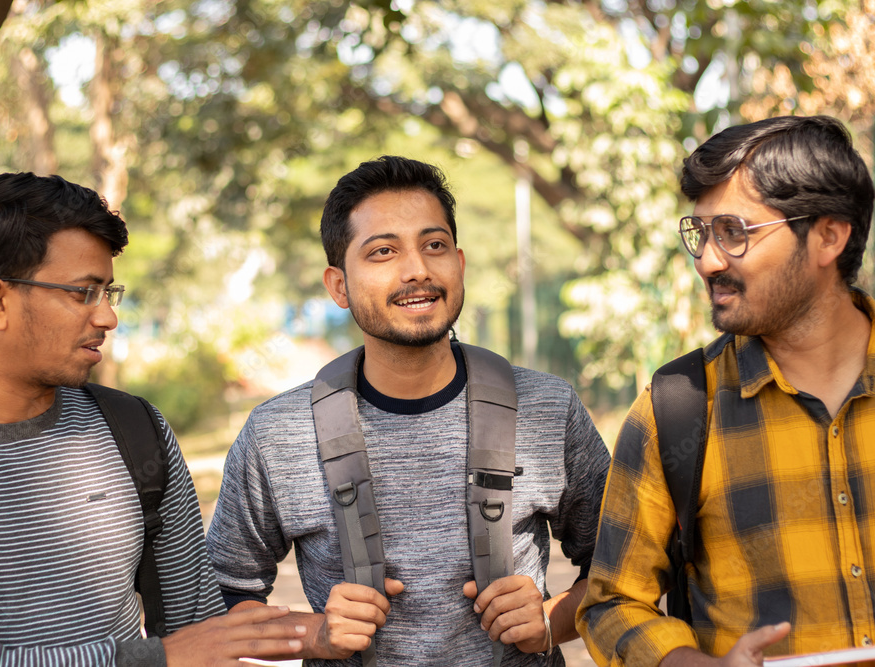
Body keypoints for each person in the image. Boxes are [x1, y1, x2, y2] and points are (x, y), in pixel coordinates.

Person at [0, 172, 306, 666]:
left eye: (108, 292)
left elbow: (201, 631)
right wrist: (150, 660)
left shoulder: (135, 429)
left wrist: (310, 635)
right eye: (83, 292)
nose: (107, 318)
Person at [205, 155, 611, 666]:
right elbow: (219, 593)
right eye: (382, 252)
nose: (417, 270)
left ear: (459, 264)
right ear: (338, 286)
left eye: (434, 245)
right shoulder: (276, 434)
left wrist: (552, 622)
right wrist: (315, 636)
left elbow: (620, 566)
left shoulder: (547, 409)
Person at [576, 115, 875, 666]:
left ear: (829, 235)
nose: (707, 261)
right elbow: (612, 603)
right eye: (701, 233)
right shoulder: (676, 409)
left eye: (734, 232)